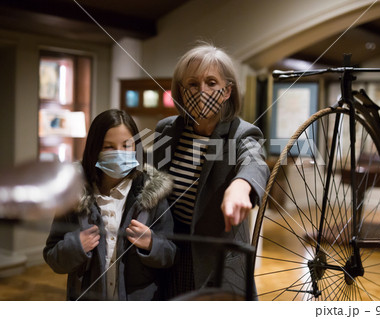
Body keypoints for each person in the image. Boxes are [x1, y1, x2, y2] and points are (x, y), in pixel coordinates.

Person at [151, 42, 270, 299]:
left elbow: (255, 162)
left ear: (227, 91)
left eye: (211, 83)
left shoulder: (241, 133)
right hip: (168, 253)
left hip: (214, 260)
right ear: (181, 92)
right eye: (193, 84)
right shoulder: (167, 130)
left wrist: (241, 185)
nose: (202, 91)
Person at [43, 109, 176, 301]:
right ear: (95, 149)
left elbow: (171, 254)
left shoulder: (154, 195)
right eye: (109, 147)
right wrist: (76, 246)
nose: (119, 153)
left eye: (126, 145)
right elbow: (53, 257)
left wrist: (152, 244)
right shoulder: (73, 195)